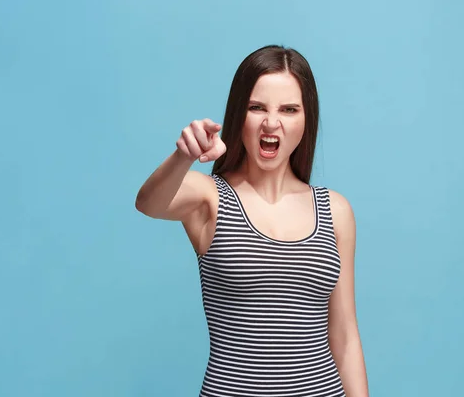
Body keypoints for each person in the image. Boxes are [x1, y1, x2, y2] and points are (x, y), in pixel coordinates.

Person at [135, 45, 369, 397]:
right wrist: (184, 156)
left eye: (289, 109)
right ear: (237, 115)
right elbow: (148, 203)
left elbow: (345, 335)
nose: (271, 123)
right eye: (256, 107)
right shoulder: (209, 198)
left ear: (307, 120)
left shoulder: (335, 211)